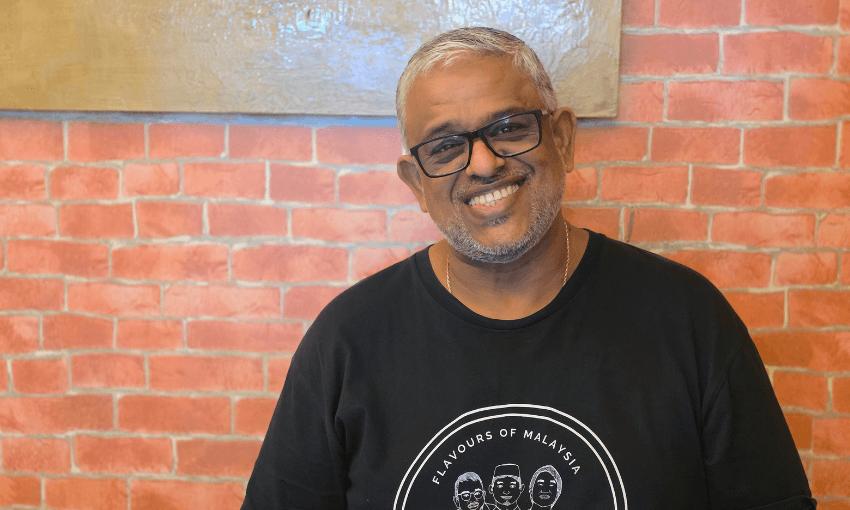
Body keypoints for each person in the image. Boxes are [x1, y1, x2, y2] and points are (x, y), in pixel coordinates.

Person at [241, 27, 816, 509]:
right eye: (444, 148)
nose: (484, 163)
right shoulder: (348, 340)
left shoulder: (689, 320)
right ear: (416, 184)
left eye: (509, 127)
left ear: (563, 140)